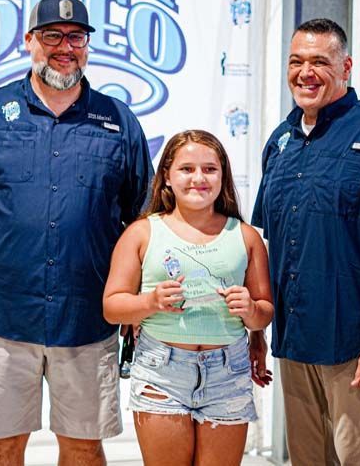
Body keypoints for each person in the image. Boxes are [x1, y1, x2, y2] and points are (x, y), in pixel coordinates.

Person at [0, 0, 153, 466]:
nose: (64, 46)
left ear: (87, 46)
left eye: (75, 37)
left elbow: (141, 222)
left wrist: (134, 299)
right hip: (1, 315)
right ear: (29, 41)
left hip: (88, 317)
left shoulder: (118, 121)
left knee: (85, 449)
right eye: (52, 36)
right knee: (2, 446)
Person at [251, 18, 360, 465]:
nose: (305, 72)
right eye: (296, 61)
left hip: (354, 349)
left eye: (319, 62)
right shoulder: (280, 142)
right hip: (293, 344)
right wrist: (257, 332)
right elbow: (265, 247)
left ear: (345, 67)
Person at [102, 130, 273, 466]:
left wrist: (251, 309)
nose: (198, 178)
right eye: (186, 169)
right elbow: (112, 307)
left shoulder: (245, 236)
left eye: (210, 169)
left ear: (223, 177)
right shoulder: (141, 233)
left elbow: (264, 312)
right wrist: (150, 302)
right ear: (166, 176)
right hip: (161, 375)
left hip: (228, 373)